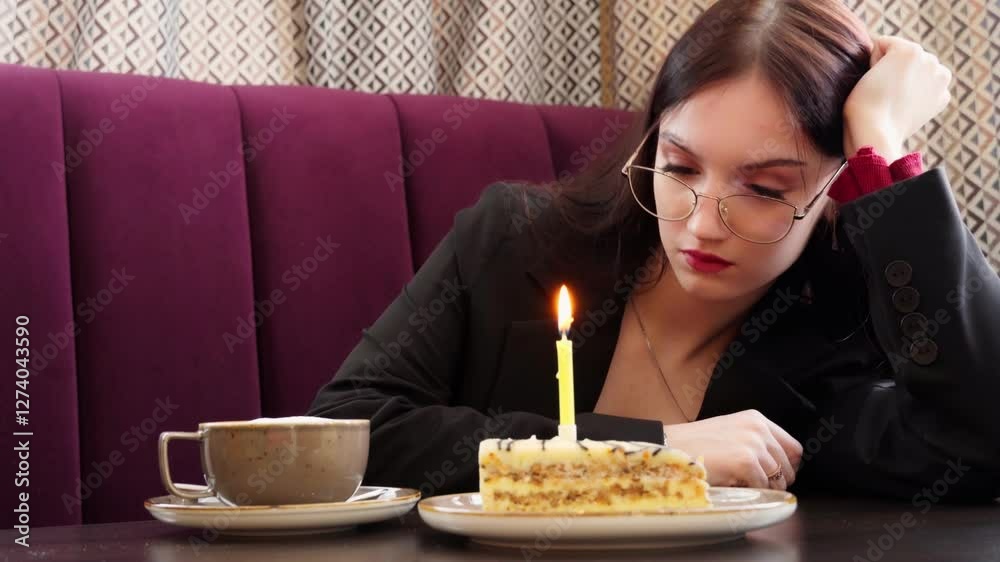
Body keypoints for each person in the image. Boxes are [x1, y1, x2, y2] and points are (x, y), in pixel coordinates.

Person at [308, 0, 1000, 502]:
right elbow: (344, 431)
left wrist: (881, 142)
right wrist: (645, 451)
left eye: (762, 188)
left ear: (835, 189)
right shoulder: (512, 239)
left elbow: (980, 446)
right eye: (680, 167)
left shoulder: (834, 343)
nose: (700, 224)